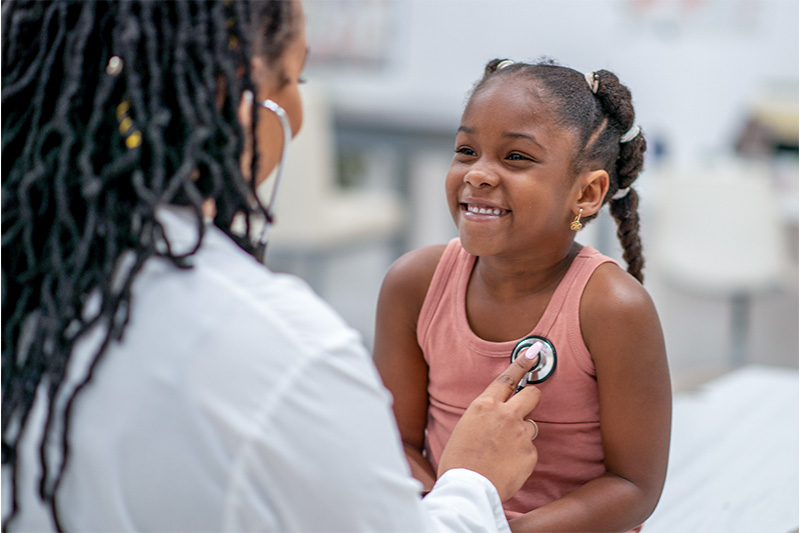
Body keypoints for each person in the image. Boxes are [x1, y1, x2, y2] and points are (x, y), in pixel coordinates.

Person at [1, 3, 544, 531]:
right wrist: (474, 482)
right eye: (294, 80)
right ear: (233, 96)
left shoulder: (29, 276)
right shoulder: (288, 358)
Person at [373, 58, 672, 532]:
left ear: (588, 194)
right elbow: (395, 444)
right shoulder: (414, 284)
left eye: (516, 157)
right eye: (466, 150)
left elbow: (634, 486)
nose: (477, 174)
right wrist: (453, 514)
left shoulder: (613, 308)